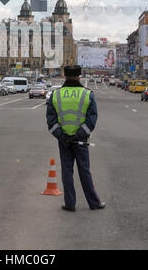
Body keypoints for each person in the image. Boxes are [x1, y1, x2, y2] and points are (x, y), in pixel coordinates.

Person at [46, 65, 105, 212]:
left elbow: (51, 121)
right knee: (84, 171)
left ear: (65, 77)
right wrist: (79, 135)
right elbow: (92, 119)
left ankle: (70, 204)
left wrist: (63, 136)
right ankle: (94, 203)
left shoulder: (56, 94)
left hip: (64, 141)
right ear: (79, 77)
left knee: (67, 171)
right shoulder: (87, 94)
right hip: (81, 141)